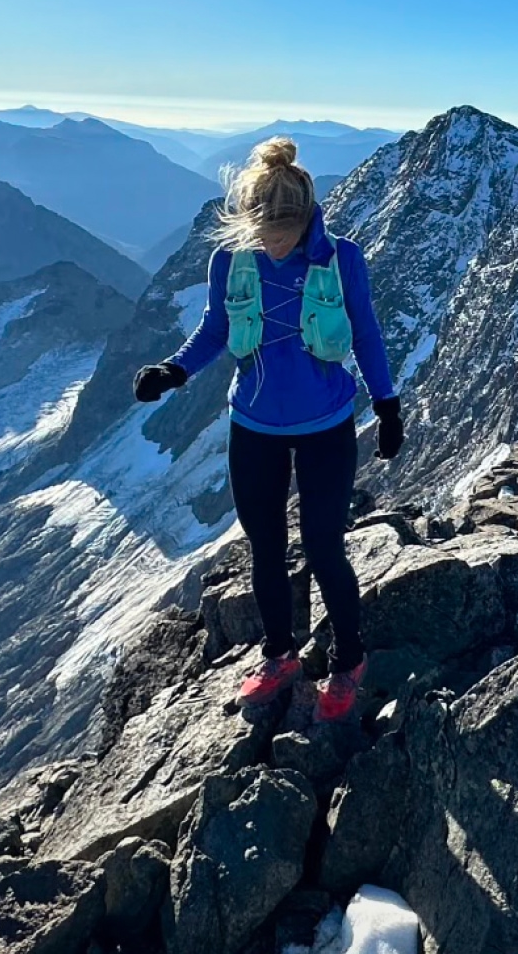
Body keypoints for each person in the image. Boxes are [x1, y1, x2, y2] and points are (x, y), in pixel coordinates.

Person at [133, 137, 403, 722]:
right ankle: (278, 653)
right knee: (264, 548)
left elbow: (366, 334)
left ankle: (348, 659)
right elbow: (213, 329)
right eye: (264, 233)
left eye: (283, 235)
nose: (274, 245)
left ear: (307, 219)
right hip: (253, 425)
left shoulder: (342, 258)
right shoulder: (231, 259)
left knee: (326, 546)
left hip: (326, 425)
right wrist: (174, 369)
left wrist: (386, 405)